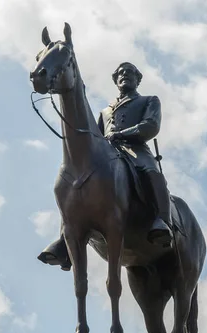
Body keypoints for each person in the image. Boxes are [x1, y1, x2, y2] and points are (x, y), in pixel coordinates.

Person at [38, 62, 172, 270]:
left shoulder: (149, 100)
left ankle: (162, 221)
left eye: (130, 73)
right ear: (116, 80)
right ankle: (64, 241)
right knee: (75, 187)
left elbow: (150, 126)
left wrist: (121, 134)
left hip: (135, 149)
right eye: (121, 73)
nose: (125, 75)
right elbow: (95, 137)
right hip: (109, 154)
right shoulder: (105, 111)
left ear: (138, 79)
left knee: (152, 174)